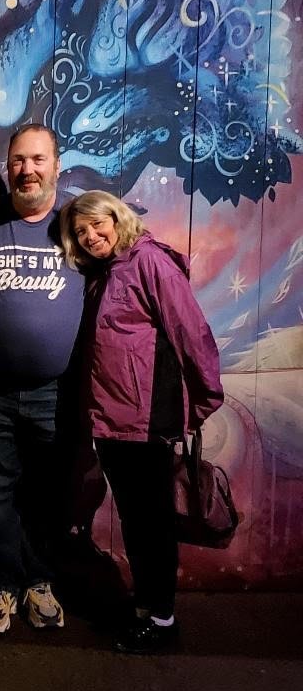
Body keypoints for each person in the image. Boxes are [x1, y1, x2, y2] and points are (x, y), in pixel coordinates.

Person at [60, 190, 224, 653]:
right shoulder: (105, 272)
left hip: (145, 419)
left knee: (152, 523)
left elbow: (190, 330)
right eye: (80, 232)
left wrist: (203, 399)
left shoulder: (150, 261)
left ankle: (163, 620)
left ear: (117, 218)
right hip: (113, 420)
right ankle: (146, 607)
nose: (90, 236)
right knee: (136, 520)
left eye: (97, 224)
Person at [0, 124, 85, 634]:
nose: (27, 170)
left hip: (56, 393)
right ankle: (0, 583)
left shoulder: (76, 225)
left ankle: (39, 581)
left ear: (56, 166)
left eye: (37, 159)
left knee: (46, 494)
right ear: (6, 166)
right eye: (18, 160)